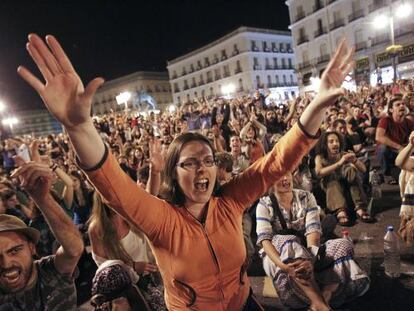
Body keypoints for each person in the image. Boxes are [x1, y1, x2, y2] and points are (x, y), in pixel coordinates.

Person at [18, 34, 354, 310]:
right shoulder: (161, 220)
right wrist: (79, 128)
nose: (201, 169)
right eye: (189, 163)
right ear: (173, 174)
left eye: (207, 160)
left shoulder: (231, 201)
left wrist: (317, 103)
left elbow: (278, 160)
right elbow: (114, 186)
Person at [256, 172, 368, 310]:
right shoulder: (264, 203)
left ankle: (323, 297)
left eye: (287, 174)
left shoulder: (306, 197)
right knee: (288, 240)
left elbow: (313, 231)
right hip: (279, 258)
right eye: (279, 176)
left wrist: (311, 260)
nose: (285, 179)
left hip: (308, 254)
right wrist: (285, 267)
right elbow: (265, 240)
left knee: (343, 244)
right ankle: (322, 305)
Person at [0, 161, 84, 310]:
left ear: (32, 248)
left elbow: (74, 249)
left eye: (14, 251)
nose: (6, 264)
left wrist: (42, 198)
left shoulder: (50, 272)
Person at [314, 131, 373, 226]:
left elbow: (363, 169)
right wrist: (340, 163)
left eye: (337, 141)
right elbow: (319, 173)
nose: (335, 143)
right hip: (330, 188)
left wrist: (355, 160)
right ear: (325, 144)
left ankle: (360, 207)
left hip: (346, 186)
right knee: (331, 176)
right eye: (331, 141)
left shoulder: (343, 154)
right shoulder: (320, 157)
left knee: (351, 170)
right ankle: (340, 211)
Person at [376, 95, 414, 183]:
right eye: (398, 105)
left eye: (403, 104)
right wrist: (399, 147)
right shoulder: (385, 120)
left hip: (401, 151)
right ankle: (386, 174)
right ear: (391, 110)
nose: (402, 106)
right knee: (383, 148)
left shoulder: (409, 122)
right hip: (390, 150)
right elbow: (379, 137)